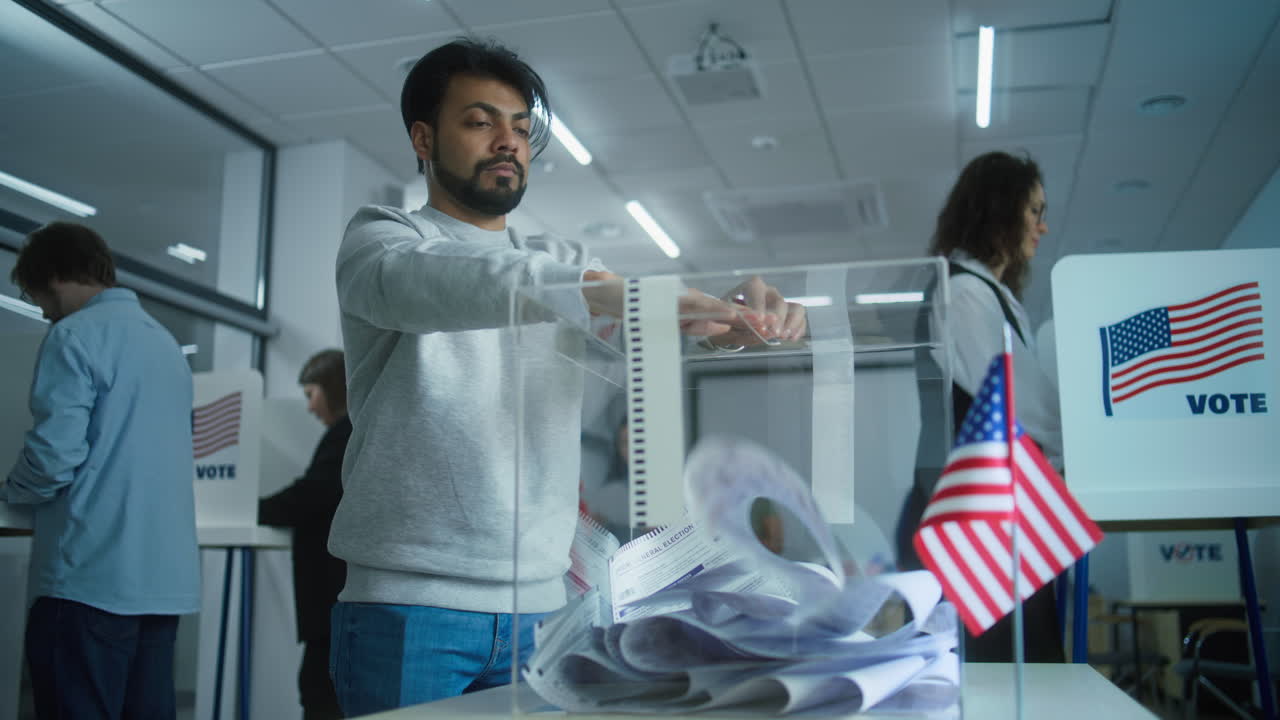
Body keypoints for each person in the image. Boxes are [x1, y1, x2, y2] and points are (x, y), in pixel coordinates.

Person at [328, 37, 804, 714]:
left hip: (543, 613)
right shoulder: (383, 240)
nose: (508, 142)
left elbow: (642, 325)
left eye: (521, 128)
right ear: (423, 137)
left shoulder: (560, 261)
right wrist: (587, 289)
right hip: (410, 608)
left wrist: (731, 319)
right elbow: (441, 284)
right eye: (480, 121)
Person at [2, 221, 200, 719]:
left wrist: (9, 491)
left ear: (53, 277)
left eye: (36, 296)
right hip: (161, 584)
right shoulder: (165, 344)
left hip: (88, 579)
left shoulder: (73, 336)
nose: (43, 311)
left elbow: (52, 459)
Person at [896, 150, 1064, 662]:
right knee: (997, 685)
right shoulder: (966, 293)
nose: (1043, 225)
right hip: (972, 523)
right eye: (1034, 210)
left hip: (987, 519)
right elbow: (1022, 408)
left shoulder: (986, 294)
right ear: (1001, 208)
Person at [258, 349, 350, 720]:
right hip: (337, 603)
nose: (310, 408)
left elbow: (310, 495)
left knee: (319, 694)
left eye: (311, 394)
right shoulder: (350, 434)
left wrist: (248, 508)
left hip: (331, 601)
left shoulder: (345, 435)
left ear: (333, 389)